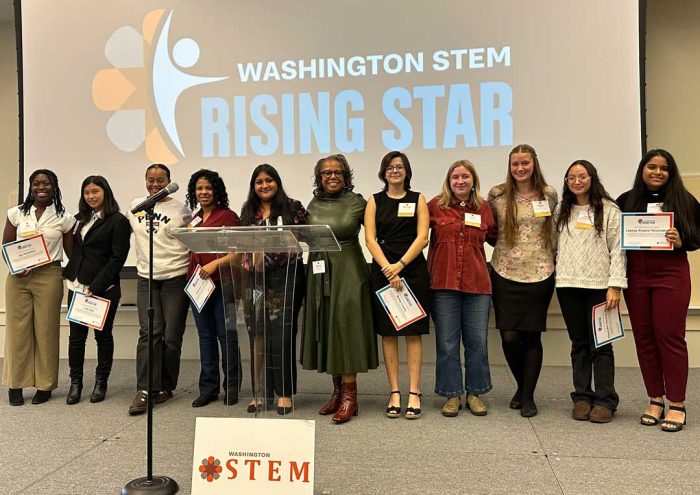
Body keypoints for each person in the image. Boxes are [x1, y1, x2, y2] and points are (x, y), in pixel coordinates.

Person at [617, 149, 700, 432]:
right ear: (642, 169)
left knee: (671, 337)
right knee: (644, 337)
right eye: (651, 167)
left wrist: (681, 239)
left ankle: (676, 402)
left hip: (671, 275)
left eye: (664, 169)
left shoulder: (684, 201)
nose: (657, 172)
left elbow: (697, 237)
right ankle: (655, 398)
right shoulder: (626, 200)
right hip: (636, 275)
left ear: (671, 172)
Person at [301, 154, 378, 424]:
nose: (332, 176)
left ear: (346, 176)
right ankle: (337, 392)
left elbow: (374, 236)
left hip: (348, 271)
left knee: (346, 329)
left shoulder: (358, 202)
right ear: (319, 178)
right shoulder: (313, 203)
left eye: (337, 172)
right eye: (326, 173)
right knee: (327, 327)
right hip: (320, 270)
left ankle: (350, 396)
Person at [487, 144, 557, 417]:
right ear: (510, 165)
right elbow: (490, 230)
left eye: (525, 163)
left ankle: (527, 396)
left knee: (531, 335)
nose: (520, 168)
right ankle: (522, 386)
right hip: (504, 271)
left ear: (534, 164)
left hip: (540, 272)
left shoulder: (549, 195)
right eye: (515, 163)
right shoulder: (498, 194)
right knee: (509, 336)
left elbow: (553, 230)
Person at [554, 160, 626, 423]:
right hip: (568, 285)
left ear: (592, 178)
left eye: (581, 176)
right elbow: (553, 244)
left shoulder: (609, 210)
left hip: (600, 288)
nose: (576, 181)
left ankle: (606, 400)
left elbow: (618, 250)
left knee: (602, 346)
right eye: (570, 177)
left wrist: (615, 285)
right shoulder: (561, 209)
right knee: (579, 344)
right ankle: (582, 397)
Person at [428, 160, 496, 417]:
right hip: (443, 284)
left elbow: (498, 238)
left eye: (465, 177)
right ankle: (452, 394)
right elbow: (418, 236)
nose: (460, 181)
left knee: (477, 342)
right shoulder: (435, 206)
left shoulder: (484, 209)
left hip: (477, 284)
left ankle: (475, 393)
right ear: (448, 181)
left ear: (473, 180)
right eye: (455, 177)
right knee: (447, 342)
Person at [365, 151, 430, 420]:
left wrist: (400, 266)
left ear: (407, 171)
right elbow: (370, 239)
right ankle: (394, 392)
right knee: (388, 333)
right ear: (383, 172)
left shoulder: (418, 199)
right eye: (390, 167)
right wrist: (387, 269)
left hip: (412, 269)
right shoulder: (374, 201)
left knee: (413, 333)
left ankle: (414, 392)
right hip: (382, 271)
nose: (395, 171)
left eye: (400, 167)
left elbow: (423, 237)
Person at [2, 170, 75, 405]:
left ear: (55, 187)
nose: (40, 187)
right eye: (36, 183)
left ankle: (45, 386)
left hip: (49, 275)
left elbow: (71, 253)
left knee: (46, 330)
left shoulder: (65, 218)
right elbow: (6, 245)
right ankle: (15, 384)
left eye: (46, 183)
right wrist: (15, 266)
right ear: (30, 187)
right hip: (18, 278)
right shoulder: (16, 214)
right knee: (17, 331)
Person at [239, 164, 307, 415]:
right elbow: (240, 241)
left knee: (282, 335)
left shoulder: (293, 207)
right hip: (255, 278)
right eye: (259, 182)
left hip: (286, 276)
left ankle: (284, 393)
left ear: (277, 182)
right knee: (257, 335)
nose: (264, 185)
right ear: (253, 186)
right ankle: (260, 392)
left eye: (269, 180)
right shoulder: (248, 211)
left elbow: (303, 236)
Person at [127, 164, 192, 415]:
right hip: (146, 277)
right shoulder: (136, 206)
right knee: (149, 332)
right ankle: (144, 389)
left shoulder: (181, 210)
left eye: (160, 180)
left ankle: (165, 385)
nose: (155, 184)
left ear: (169, 181)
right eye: (150, 180)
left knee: (172, 336)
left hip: (175, 276)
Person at [63, 176, 130, 404]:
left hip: (103, 288)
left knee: (103, 337)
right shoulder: (80, 219)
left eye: (95, 192)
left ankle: (101, 382)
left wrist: (97, 286)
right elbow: (76, 251)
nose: (91, 196)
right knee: (76, 338)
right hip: (77, 286)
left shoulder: (118, 221)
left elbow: (117, 259)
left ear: (106, 192)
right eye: (87, 192)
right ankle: (76, 383)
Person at [185, 169, 242, 408]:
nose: (204, 192)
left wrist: (214, 264)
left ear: (216, 190)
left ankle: (231, 388)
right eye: (199, 188)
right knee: (205, 337)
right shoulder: (195, 218)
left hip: (222, 284)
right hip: (198, 286)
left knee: (226, 336)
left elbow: (237, 255)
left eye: (208, 188)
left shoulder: (228, 217)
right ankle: (208, 389)